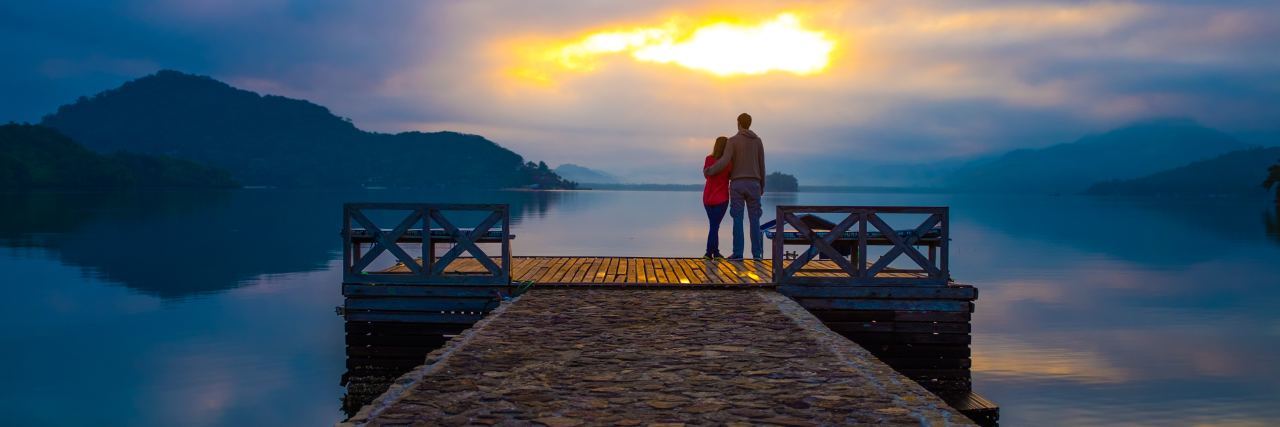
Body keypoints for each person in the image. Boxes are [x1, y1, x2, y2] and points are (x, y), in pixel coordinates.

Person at [705, 113, 766, 260]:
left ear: (738, 123)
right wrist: (762, 185)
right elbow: (761, 165)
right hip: (754, 184)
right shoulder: (758, 141)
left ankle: (738, 254)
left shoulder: (732, 141)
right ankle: (757, 255)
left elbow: (724, 161)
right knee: (755, 220)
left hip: (738, 184)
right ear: (750, 123)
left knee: (737, 220)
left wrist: (709, 170)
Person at [702, 136, 731, 259]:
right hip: (721, 198)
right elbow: (730, 176)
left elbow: (706, 175)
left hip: (707, 198)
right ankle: (709, 253)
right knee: (714, 225)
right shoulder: (729, 162)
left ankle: (715, 252)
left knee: (714, 225)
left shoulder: (708, 159)